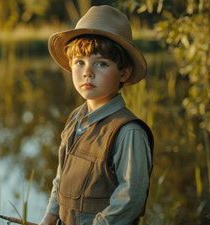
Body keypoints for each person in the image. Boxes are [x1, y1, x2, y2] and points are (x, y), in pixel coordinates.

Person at [39, 5, 154, 225]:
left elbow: (132, 198)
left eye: (101, 63)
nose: (87, 72)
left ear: (124, 72)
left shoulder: (128, 131)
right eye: (79, 62)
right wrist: (50, 217)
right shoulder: (75, 119)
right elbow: (61, 178)